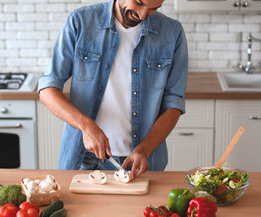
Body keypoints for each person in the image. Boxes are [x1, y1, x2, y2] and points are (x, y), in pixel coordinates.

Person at [38, 0, 188, 180]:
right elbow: (47, 89)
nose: (142, 15)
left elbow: (174, 104)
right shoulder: (81, 21)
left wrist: (144, 149)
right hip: (83, 159)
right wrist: (86, 126)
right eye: (139, 3)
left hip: (141, 163)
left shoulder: (172, 32)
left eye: (153, 9)